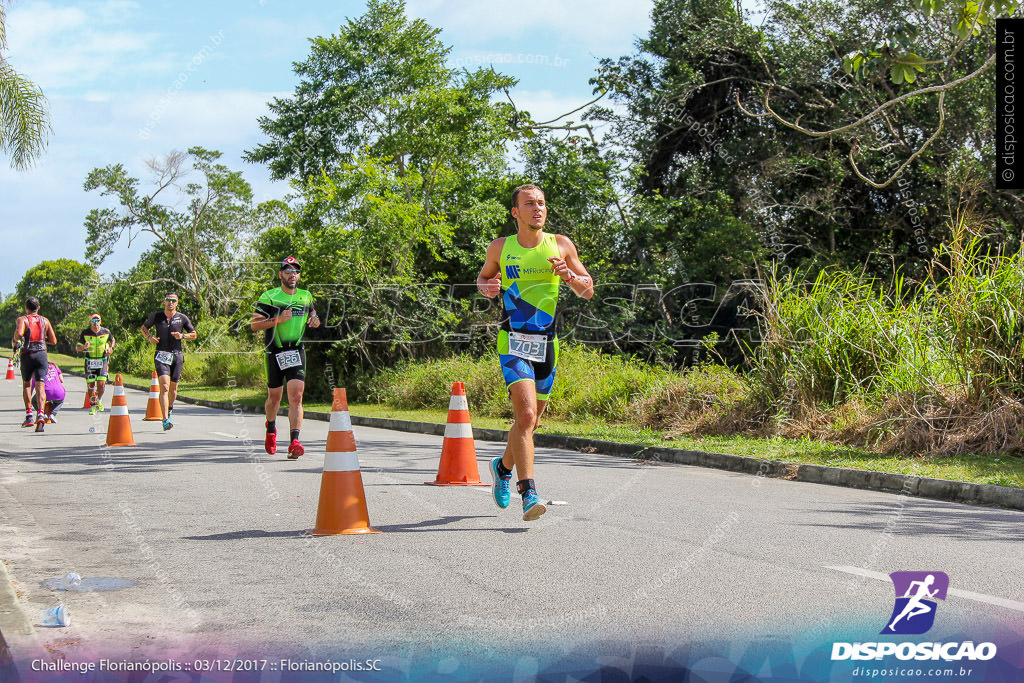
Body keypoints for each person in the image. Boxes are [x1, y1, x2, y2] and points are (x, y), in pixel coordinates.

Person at [477, 184, 594, 521]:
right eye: (529, 204)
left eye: (541, 203)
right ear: (516, 212)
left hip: (547, 343)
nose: (537, 209)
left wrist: (569, 275)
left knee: (532, 420)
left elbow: (587, 290)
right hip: (512, 341)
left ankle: (502, 467)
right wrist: (489, 287)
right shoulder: (501, 247)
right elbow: (483, 281)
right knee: (526, 417)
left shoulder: (560, 244)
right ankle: (528, 493)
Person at [251, 257, 321, 459]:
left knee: (297, 396)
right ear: (281, 274)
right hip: (274, 352)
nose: (292, 274)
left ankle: (294, 442)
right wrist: (278, 320)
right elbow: (255, 325)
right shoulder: (269, 296)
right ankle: (271, 428)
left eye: (296, 271)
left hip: (296, 351)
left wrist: (314, 321)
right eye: (288, 271)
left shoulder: (306, 296)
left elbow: (313, 316)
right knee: (274, 398)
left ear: (299, 275)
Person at [141, 292, 197, 431]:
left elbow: (194, 334)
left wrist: (182, 336)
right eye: (168, 300)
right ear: (164, 301)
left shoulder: (182, 318)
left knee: (173, 389)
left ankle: (170, 409)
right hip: (161, 355)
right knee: (164, 387)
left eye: (173, 300)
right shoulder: (156, 316)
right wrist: (149, 338)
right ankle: (165, 419)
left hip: (177, 356)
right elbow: (144, 328)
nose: (170, 302)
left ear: (177, 303)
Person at [11, 297, 58, 432]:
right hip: (41, 354)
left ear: (26, 307)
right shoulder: (45, 320)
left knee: (27, 384)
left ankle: (29, 416)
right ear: (38, 308)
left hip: (28, 354)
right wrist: (43, 338)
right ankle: (41, 414)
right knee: (40, 385)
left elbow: (19, 333)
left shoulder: (23, 319)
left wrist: (15, 340)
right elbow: (54, 340)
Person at [75, 313, 115, 415]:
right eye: (93, 321)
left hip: (102, 360)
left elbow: (112, 340)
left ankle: (99, 400)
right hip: (90, 361)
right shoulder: (85, 333)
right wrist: (83, 347)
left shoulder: (106, 332)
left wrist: (111, 348)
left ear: (100, 321)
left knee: (101, 385)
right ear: (90, 322)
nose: (95, 323)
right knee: (91, 385)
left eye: (97, 321)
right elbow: (77, 347)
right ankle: (93, 407)